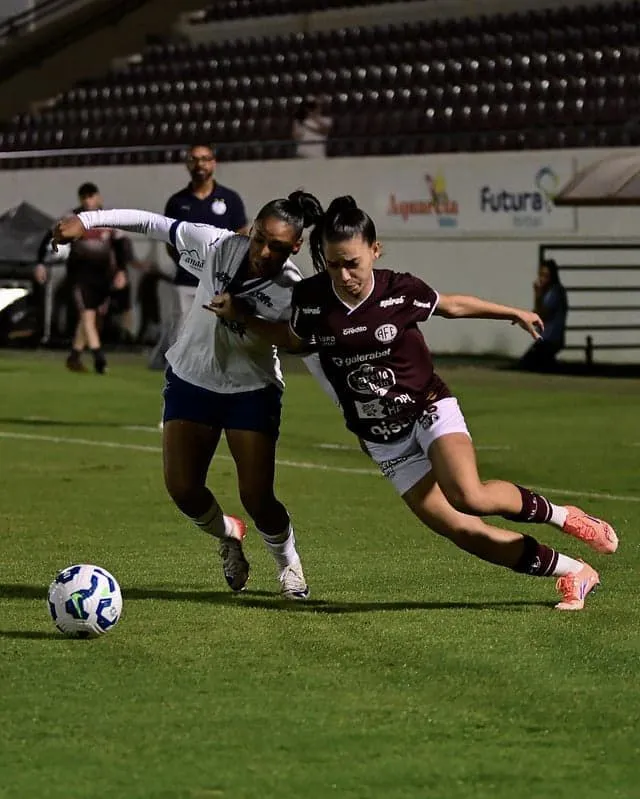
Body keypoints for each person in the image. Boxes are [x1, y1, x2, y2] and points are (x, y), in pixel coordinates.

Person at [208, 196, 618, 612]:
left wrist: (511, 313)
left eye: (352, 263)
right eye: (333, 265)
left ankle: (565, 517)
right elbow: (295, 341)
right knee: (463, 531)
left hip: (427, 407)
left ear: (374, 250)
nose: (344, 274)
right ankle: (574, 573)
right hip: (382, 439)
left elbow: (451, 305)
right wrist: (243, 316)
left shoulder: (398, 289)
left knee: (468, 496)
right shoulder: (311, 299)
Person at [52, 191, 326, 599]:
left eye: (278, 247)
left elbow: (300, 343)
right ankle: (228, 535)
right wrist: (88, 221)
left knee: (256, 494)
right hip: (191, 377)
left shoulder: (292, 289)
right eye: (260, 239)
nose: (265, 251)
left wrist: (244, 316)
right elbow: (152, 223)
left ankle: (288, 563)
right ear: (251, 230)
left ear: (296, 247)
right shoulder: (216, 245)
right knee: (182, 488)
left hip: (250, 389)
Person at [35, 182, 129, 373]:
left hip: (102, 276)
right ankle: (99, 359)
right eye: (84, 197)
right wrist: (40, 262)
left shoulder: (108, 218)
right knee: (87, 316)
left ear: (98, 197)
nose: (88, 200)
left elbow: (120, 246)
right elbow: (48, 236)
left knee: (90, 318)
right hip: (79, 275)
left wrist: (121, 270)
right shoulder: (72, 218)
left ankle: (74, 357)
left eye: (91, 196)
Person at [163, 143, 248, 345]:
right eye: (194, 159)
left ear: (213, 163)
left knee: (219, 340)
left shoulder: (230, 199)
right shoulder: (176, 202)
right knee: (182, 340)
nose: (199, 164)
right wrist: (191, 265)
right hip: (186, 283)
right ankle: (176, 377)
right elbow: (170, 243)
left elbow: (241, 238)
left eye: (204, 159)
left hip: (220, 284)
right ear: (187, 164)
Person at [518, 258, 568, 372]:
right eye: (541, 275)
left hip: (550, 339)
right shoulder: (548, 293)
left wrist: (537, 294)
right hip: (545, 339)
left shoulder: (555, 292)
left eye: (546, 276)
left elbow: (541, 315)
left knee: (526, 364)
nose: (542, 279)